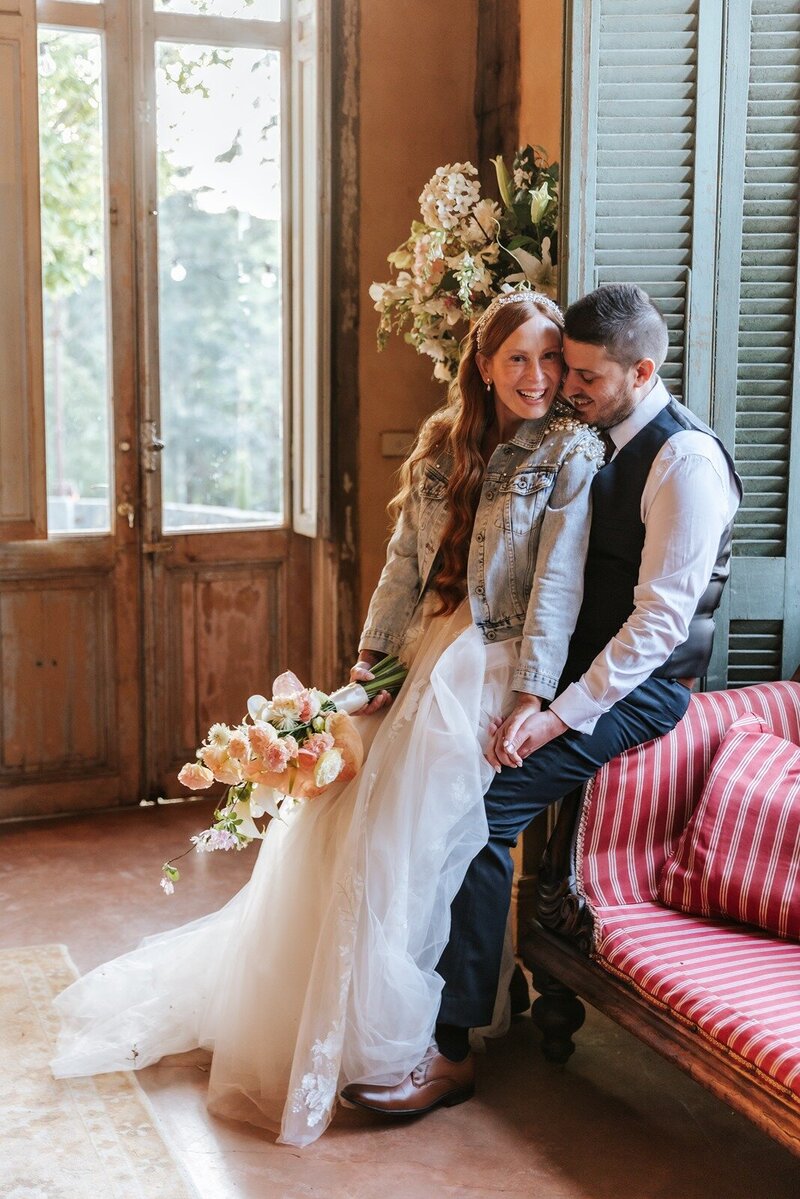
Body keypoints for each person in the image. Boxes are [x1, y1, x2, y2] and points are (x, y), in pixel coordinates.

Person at [50, 291, 604, 1147]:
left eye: (548, 360)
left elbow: (560, 584)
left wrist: (531, 694)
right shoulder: (441, 445)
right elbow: (404, 560)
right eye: (517, 359)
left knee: (416, 833)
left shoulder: (569, 449)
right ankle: (331, 1013)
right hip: (426, 648)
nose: (536, 377)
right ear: (485, 367)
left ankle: (428, 1035)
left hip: (491, 661)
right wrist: (373, 654)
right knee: (342, 816)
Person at [340, 282, 743, 1117]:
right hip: (570, 673)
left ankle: (450, 1048)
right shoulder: (585, 434)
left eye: (584, 374)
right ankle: (487, 989)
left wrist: (554, 713)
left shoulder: (685, 462)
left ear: (644, 368)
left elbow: (656, 627)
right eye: (563, 368)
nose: (565, 385)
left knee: (477, 811)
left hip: (640, 691)